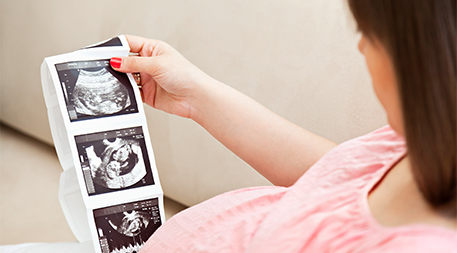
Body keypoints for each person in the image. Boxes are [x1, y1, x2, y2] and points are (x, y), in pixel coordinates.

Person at [109, 0, 456, 252]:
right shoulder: (423, 143)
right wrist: (195, 96)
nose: (362, 47)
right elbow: (339, 177)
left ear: (426, 59)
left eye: (372, 34)